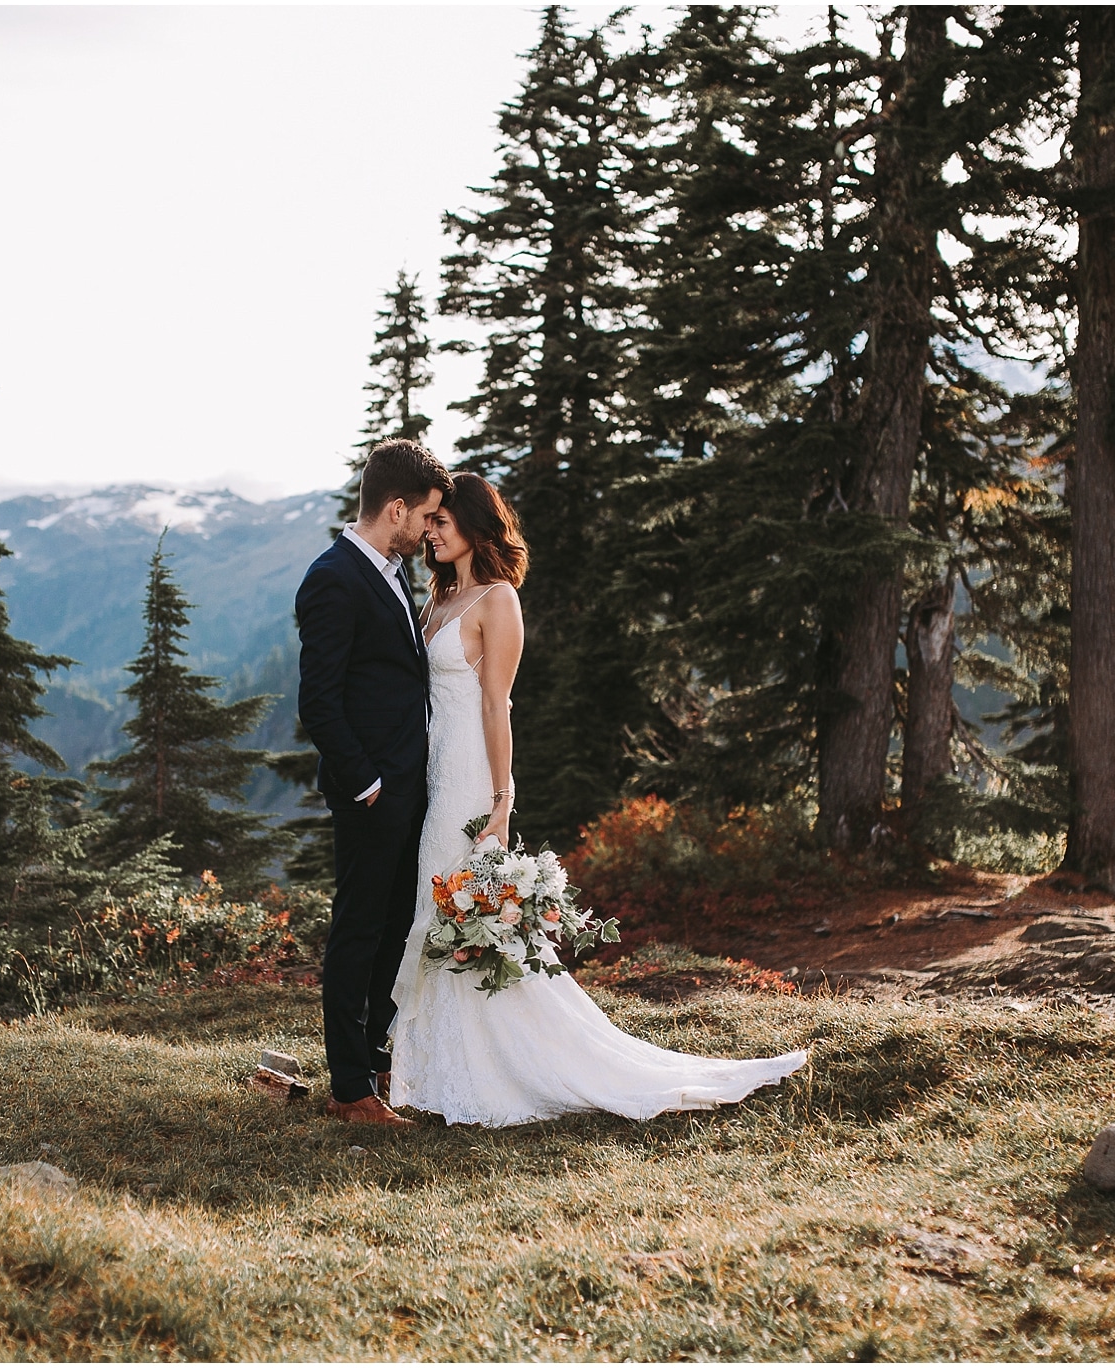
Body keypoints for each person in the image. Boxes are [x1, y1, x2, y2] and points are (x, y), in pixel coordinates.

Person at [386, 473, 808, 1127]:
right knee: (441, 913)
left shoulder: (497, 600)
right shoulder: (440, 599)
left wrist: (501, 800)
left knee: (466, 918)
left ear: (473, 524)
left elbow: (498, 705)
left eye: (442, 520)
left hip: (469, 777)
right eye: (430, 521)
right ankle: (438, 1066)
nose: (431, 530)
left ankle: (505, 1067)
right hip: (433, 772)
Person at [294, 438, 454, 1126]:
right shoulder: (334, 577)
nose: (429, 530)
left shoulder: (390, 572)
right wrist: (366, 785)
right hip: (373, 792)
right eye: (425, 516)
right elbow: (318, 700)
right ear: (396, 509)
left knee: (392, 925)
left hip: (406, 785)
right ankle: (349, 1088)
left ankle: (375, 1062)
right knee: (358, 930)